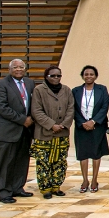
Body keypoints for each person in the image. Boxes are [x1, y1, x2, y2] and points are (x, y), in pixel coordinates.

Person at [0, 59, 36, 203]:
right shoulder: (1, 84)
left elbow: (33, 104)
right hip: (8, 130)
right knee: (6, 162)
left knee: (22, 160)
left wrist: (30, 119)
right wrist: (22, 119)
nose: (19, 69)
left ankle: (18, 187)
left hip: (25, 130)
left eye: (21, 67)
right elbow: (1, 107)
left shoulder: (29, 83)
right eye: (15, 67)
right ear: (9, 69)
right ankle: (3, 191)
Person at [30, 66, 75, 199]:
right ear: (46, 76)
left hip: (62, 133)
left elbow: (71, 109)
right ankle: (45, 188)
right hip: (44, 133)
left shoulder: (66, 90)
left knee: (60, 161)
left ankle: (56, 186)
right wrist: (51, 125)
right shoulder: (39, 90)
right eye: (53, 76)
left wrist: (63, 125)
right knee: (44, 162)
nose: (56, 78)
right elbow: (36, 111)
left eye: (58, 76)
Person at [72, 65, 109, 193]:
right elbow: (73, 109)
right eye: (86, 74)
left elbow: (104, 107)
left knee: (96, 153)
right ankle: (85, 180)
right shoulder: (76, 91)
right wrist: (83, 122)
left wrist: (93, 121)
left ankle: (94, 180)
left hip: (97, 126)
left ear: (96, 76)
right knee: (83, 154)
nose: (89, 76)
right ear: (82, 76)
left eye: (91, 74)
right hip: (81, 126)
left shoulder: (102, 89)